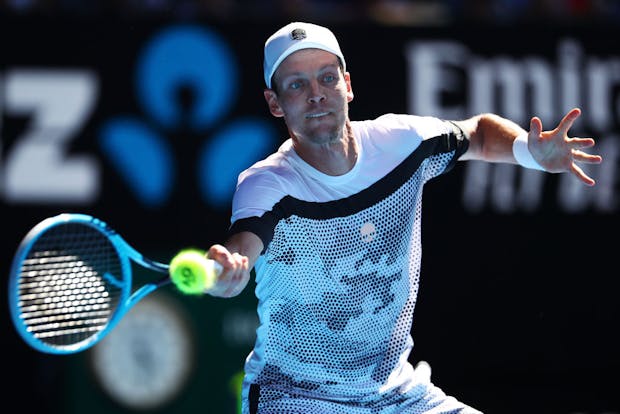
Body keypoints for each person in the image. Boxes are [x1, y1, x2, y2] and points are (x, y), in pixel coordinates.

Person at [204, 22, 603, 413]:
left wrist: (526, 151)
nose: (316, 95)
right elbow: (243, 244)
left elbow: (478, 132)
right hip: (295, 397)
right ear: (275, 103)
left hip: (398, 393)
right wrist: (229, 272)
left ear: (348, 84)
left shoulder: (401, 142)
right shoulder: (267, 184)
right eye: (296, 85)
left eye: (327, 79)